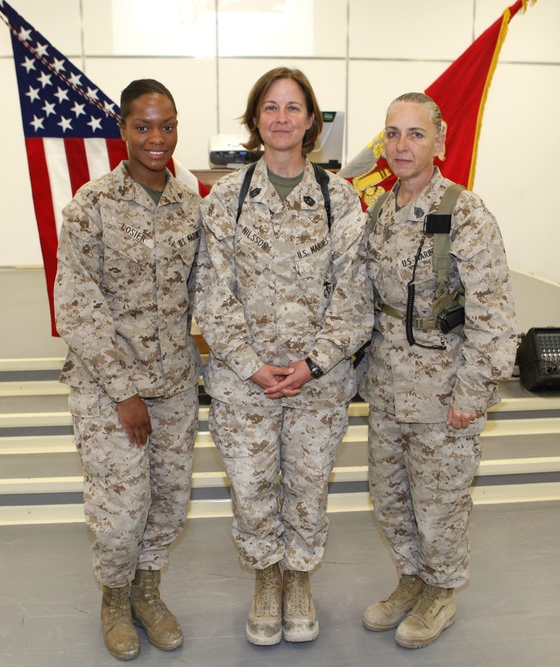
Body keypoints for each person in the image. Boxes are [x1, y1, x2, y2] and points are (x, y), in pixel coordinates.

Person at [193, 67, 373, 646]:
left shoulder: (339, 199)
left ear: (311, 121)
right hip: (243, 384)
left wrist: (314, 363)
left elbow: (355, 291)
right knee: (249, 487)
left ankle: (298, 579)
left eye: (293, 108)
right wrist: (250, 363)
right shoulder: (227, 197)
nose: (281, 118)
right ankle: (266, 579)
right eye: (270, 107)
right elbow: (210, 291)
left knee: (307, 485)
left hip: (317, 384)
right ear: (255, 120)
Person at [357, 92, 516, 649]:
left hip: (444, 387)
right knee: (392, 493)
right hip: (386, 384)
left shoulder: (464, 214)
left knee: (440, 500)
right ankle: (411, 579)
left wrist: (470, 395)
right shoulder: (380, 208)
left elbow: (493, 318)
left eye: (415, 134)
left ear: (440, 142)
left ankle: (441, 592)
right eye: (393, 133)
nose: (402, 145)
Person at [53, 79, 202, 662]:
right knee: (119, 515)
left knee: (167, 503)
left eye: (167, 125)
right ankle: (113, 601)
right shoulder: (90, 205)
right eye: (144, 126)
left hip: (173, 388)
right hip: (109, 391)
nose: (157, 138)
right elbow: (76, 304)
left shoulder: (191, 206)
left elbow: (203, 292)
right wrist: (123, 391)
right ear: (122, 129)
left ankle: (148, 595)